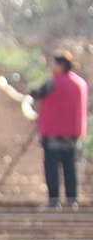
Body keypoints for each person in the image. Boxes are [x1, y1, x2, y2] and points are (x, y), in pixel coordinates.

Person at [28, 50, 88, 209]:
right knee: (70, 168)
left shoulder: (53, 83)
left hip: (53, 132)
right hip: (73, 133)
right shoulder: (80, 83)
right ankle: (71, 200)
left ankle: (54, 201)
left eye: (53, 63)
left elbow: (36, 93)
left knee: (52, 168)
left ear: (61, 65)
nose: (50, 66)